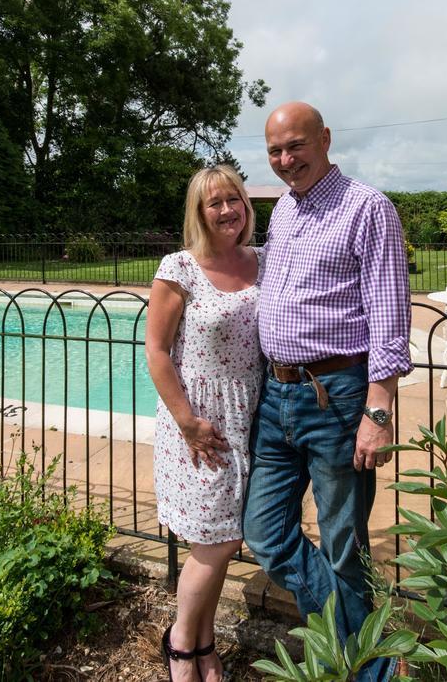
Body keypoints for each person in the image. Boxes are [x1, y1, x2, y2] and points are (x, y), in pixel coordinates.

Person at [242, 102, 411, 682]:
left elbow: (389, 316)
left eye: (296, 146)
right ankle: (355, 645)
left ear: (325, 139)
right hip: (276, 395)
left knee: (343, 544)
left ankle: (366, 671)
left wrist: (379, 410)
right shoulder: (284, 211)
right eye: (275, 151)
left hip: (337, 395)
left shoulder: (367, 208)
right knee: (264, 534)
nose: (286, 160)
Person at [145, 165, 264, 682]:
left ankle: (203, 641)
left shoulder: (262, 260)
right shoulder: (180, 268)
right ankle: (180, 646)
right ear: (199, 211)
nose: (226, 210)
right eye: (214, 202)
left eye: (233, 199)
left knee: (223, 541)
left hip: (252, 417)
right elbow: (156, 350)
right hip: (200, 425)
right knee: (214, 542)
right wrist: (188, 422)